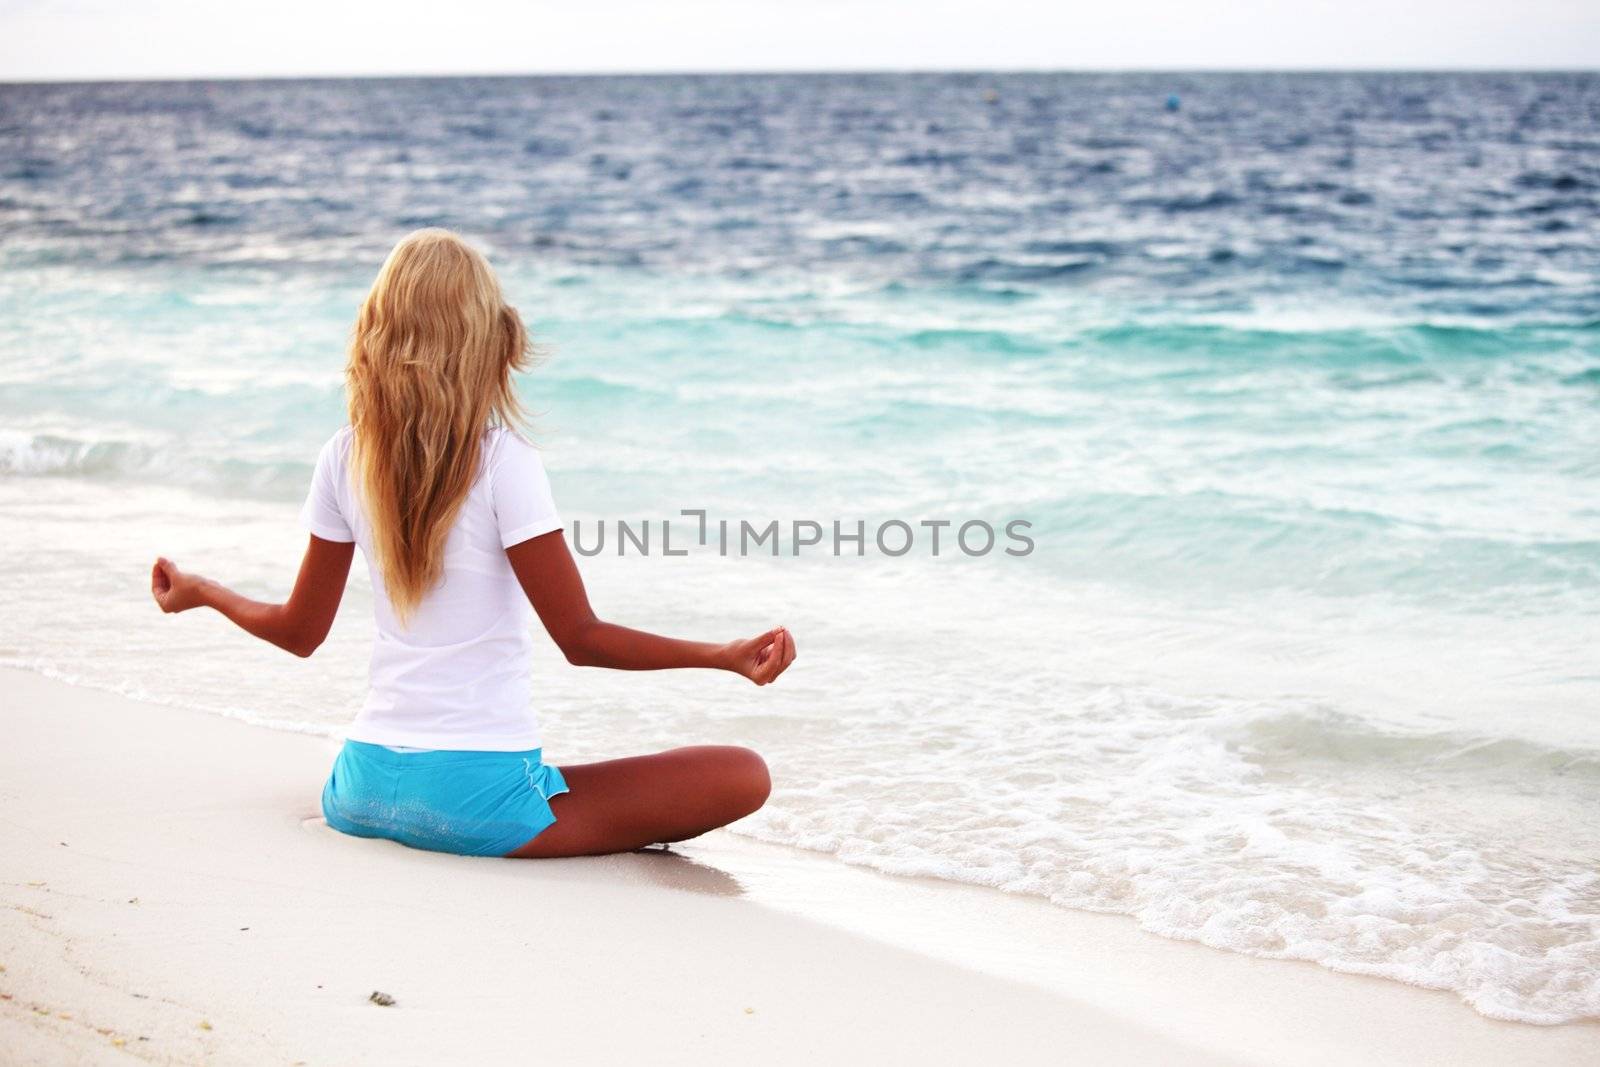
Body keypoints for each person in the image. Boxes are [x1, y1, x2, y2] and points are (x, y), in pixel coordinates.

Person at [149, 229, 791, 859]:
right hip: (471, 806)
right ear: (486, 338)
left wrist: (203, 591)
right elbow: (582, 640)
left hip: (359, 789)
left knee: (539, 778)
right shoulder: (503, 462)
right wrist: (721, 654)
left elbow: (299, 631)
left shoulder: (343, 456)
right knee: (742, 772)